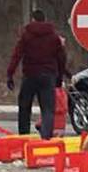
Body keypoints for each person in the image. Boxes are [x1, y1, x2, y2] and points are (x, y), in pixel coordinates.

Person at [7, 9, 67, 140]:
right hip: (48, 76)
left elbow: (17, 55)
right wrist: (60, 76)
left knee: (24, 107)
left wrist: (10, 74)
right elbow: (61, 58)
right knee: (48, 109)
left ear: (33, 20)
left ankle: (24, 137)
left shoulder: (26, 36)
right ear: (44, 19)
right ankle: (46, 139)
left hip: (30, 75)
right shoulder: (53, 37)